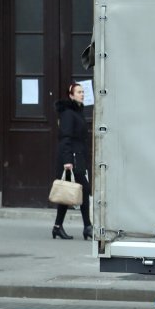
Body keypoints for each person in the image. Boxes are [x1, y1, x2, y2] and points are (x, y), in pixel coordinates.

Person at [53, 82, 93, 241]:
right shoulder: (69, 114)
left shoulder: (77, 111)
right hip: (72, 159)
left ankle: (57, 227)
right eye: (78, 92)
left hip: (78, 156)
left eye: (83, 92)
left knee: (68, 192)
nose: (82, 94)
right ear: (71, 95)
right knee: (83, 190)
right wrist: (68, 160)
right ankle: (87, 227)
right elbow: (65, 138)